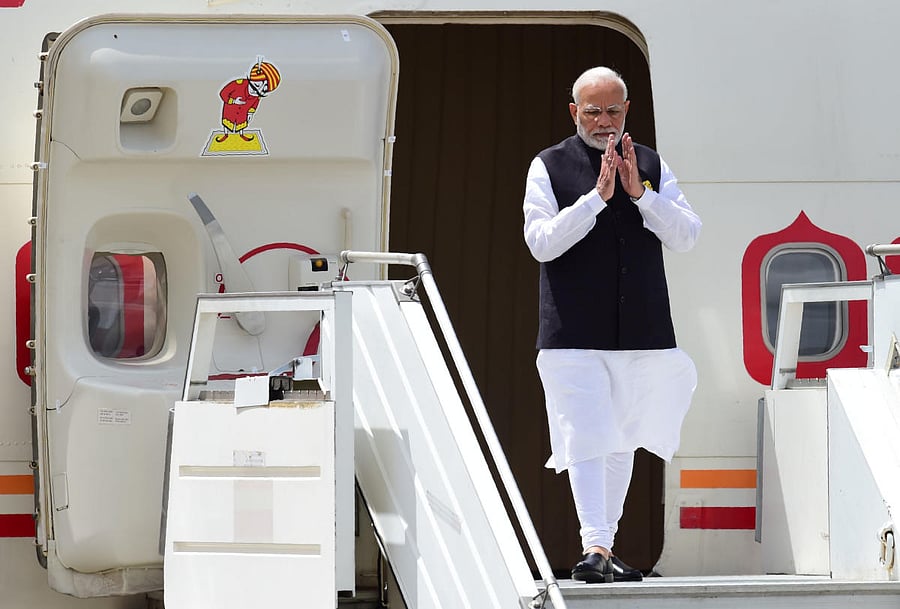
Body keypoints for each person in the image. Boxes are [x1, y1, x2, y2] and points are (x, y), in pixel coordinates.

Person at [522, 66, 701, 583]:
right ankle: (594, 544)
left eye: (614, 110)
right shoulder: (549, 165)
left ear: (628, 111)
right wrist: (594, 201)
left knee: (624, 437)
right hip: (572, 334)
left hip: (642, 331)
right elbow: (541, 242)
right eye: (594, 111)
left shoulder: (650, 164)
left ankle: (602, 546)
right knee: (586, 436)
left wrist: (642, 196)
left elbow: (688, 235)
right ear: (574, 111)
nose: (604, 121)